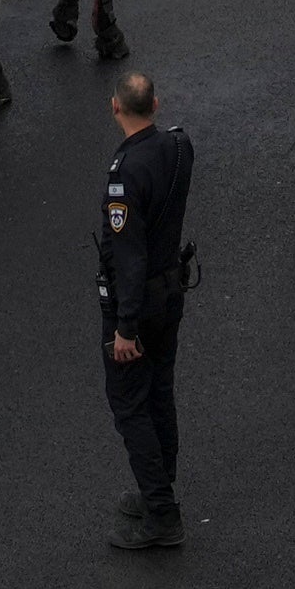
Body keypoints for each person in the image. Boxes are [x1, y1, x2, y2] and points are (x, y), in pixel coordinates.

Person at [97, 68, 197, 553]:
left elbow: (128, 255)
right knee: (160, 392)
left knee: (130, 406)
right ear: (155, 106)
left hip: (137, 305)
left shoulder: (125, 176)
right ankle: (160, 487)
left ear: (115, 108)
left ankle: (161, 513)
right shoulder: (179, 148)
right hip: (171, 294)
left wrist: (124, 328)